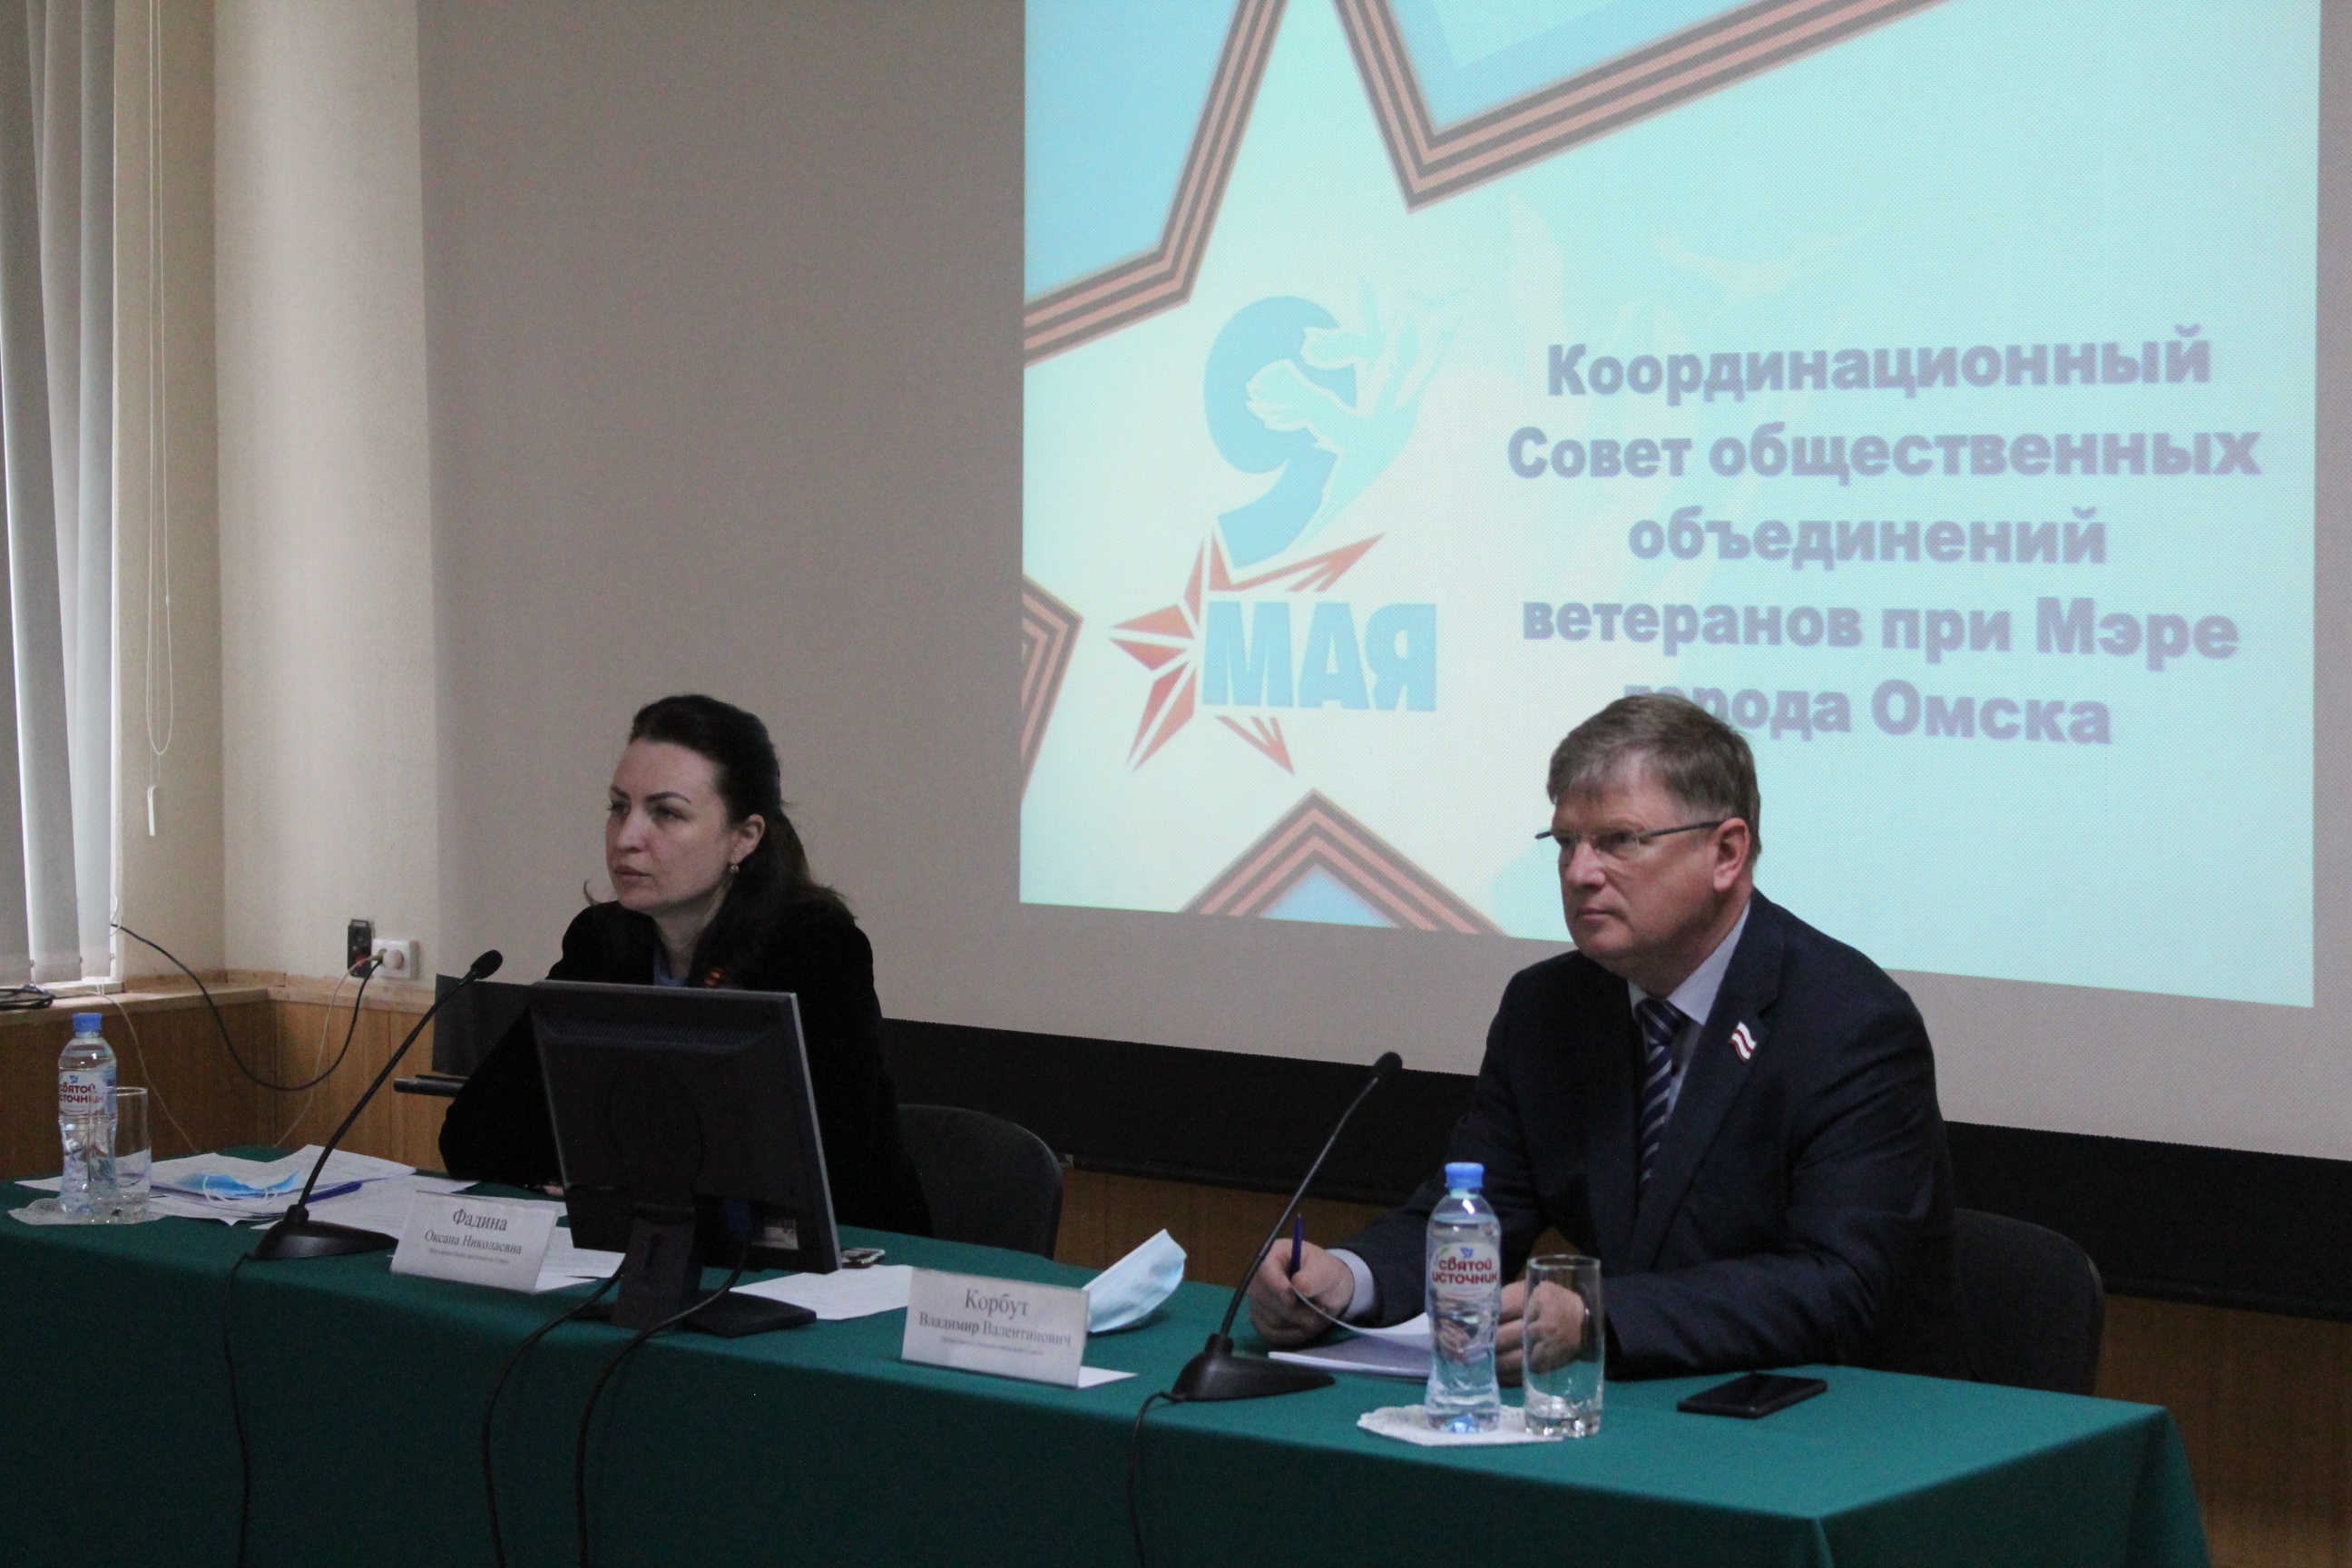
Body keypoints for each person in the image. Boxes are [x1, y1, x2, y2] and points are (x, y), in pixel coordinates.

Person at [1246, 693, 1965, 1379]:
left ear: (1726, 853)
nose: (1581, 873)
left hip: (1830, 1416)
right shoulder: (1548, 1008)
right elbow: (1480, 1207)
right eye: (1566, 843)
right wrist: (1349, 1280)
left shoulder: (1847, 1023)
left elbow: (1839, 1283)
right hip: (1634, 1403)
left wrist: (1597, 1315)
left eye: (1619, 840)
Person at [438, 694, 933, 1236]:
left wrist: (616, 1178)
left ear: (743, 838)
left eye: (667, 813)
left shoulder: (816, 950)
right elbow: (473, 1134)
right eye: (619, 807)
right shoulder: (600, 944)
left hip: (846, 1262)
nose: (627, 838)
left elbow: (830, 1170)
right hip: (650, 1251)